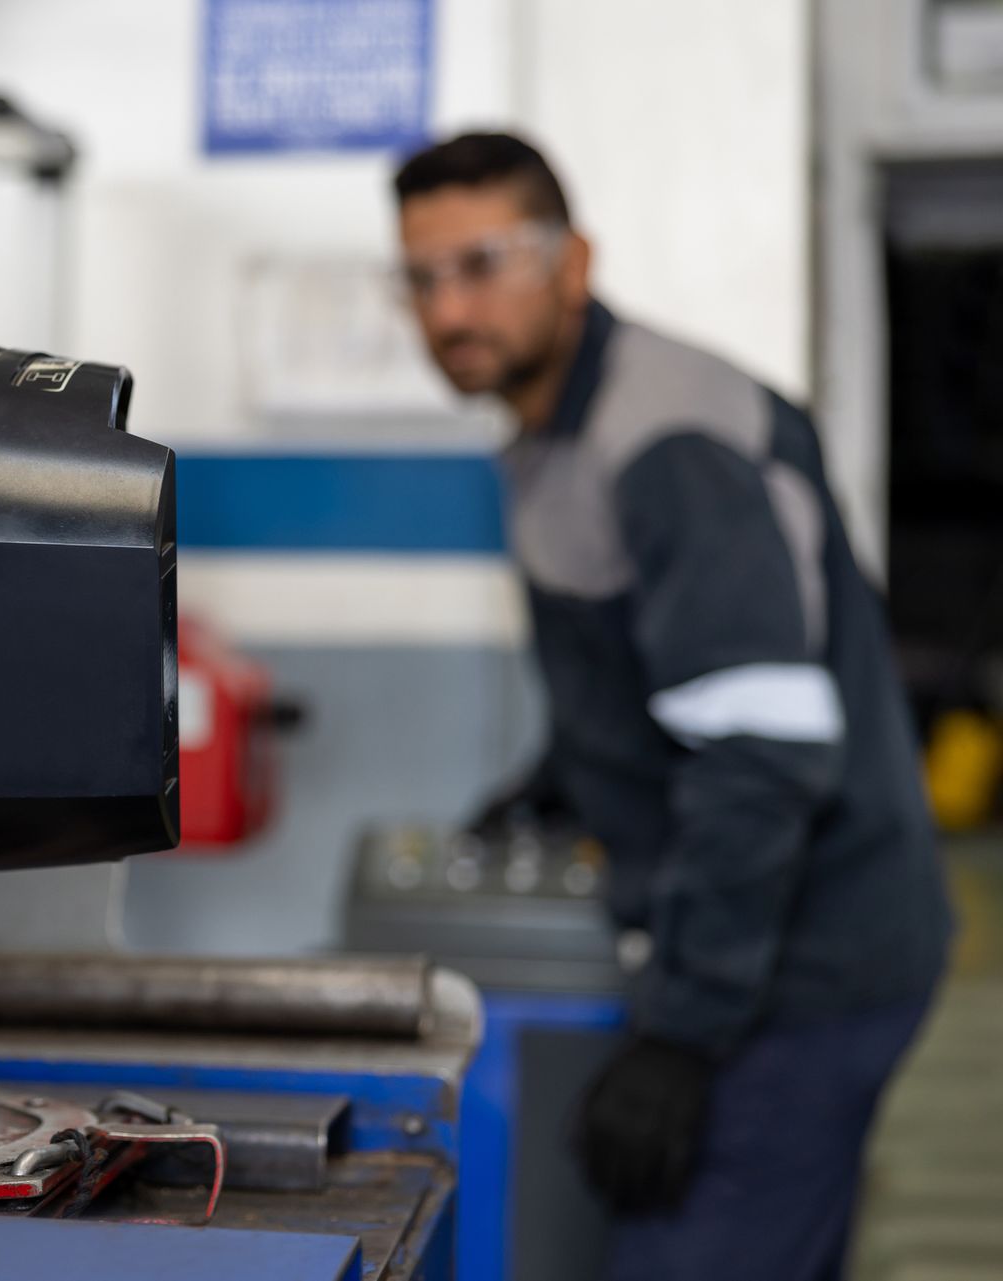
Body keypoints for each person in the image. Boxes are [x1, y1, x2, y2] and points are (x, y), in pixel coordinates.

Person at [392, 132, 953, 1279]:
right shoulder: (549, 431)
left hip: (807, 962)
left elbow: (761, 753)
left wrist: (682, 1042)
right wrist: (549, 787)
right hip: (761, 946)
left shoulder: (666, 442)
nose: (451, 307)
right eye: (423, 276)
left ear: (573, 261)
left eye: (484, 263)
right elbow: (653, 680)